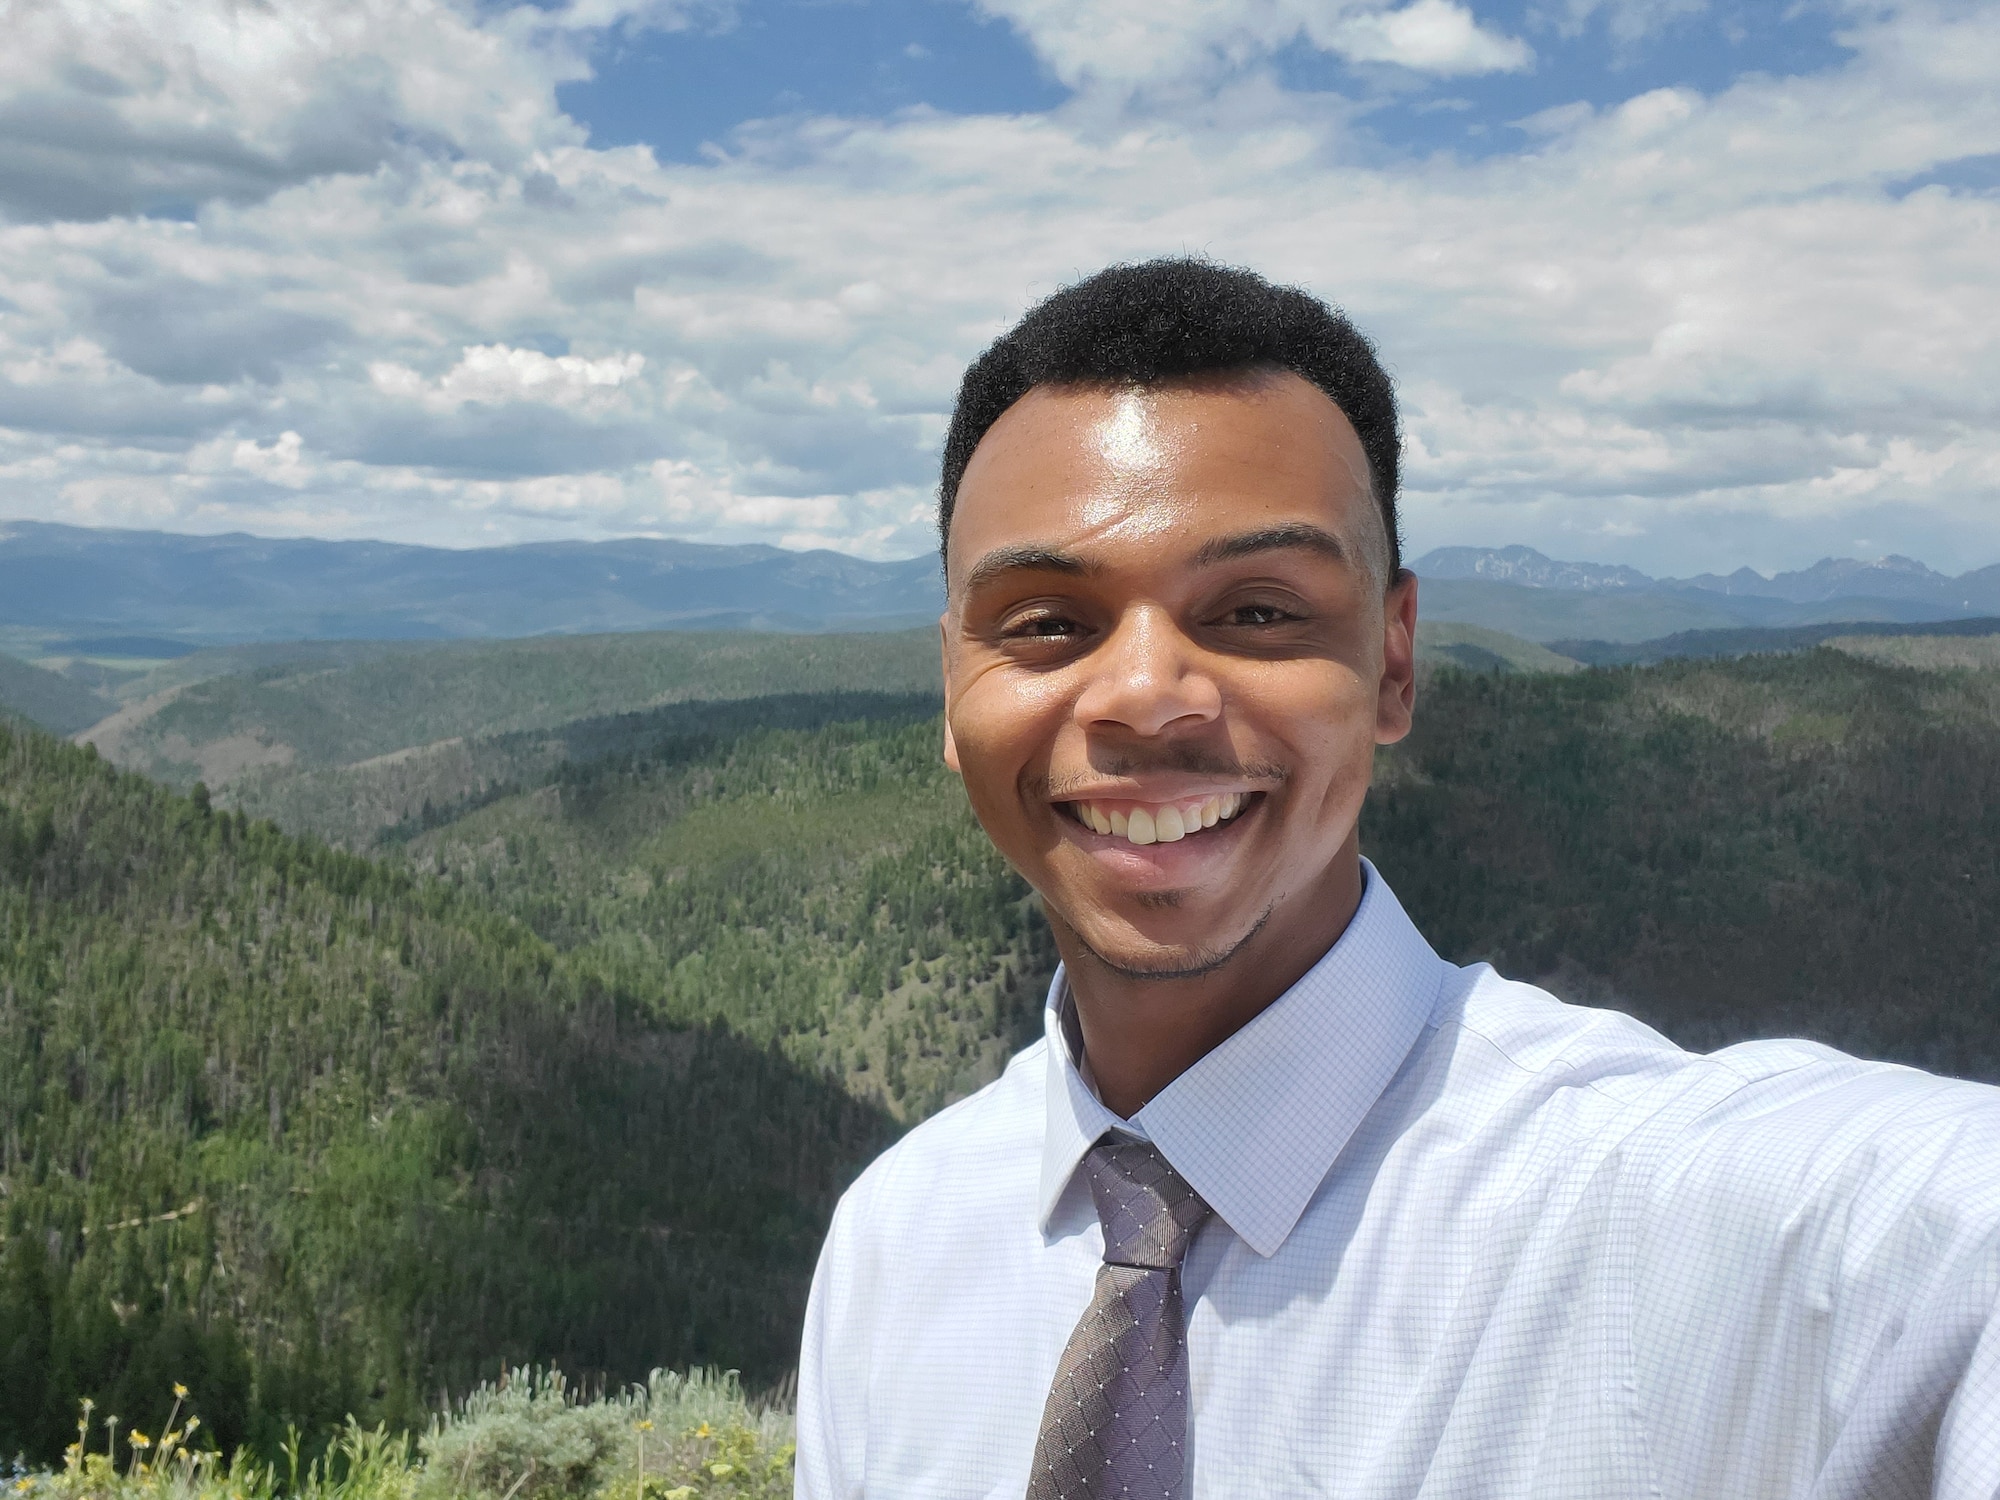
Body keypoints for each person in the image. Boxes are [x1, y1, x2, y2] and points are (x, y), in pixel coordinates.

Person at [793, 258, 2000, 1499]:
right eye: (1046, 621)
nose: (1145, 696)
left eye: (1258, 610)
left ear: (1391, 662)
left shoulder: (1674, 1215)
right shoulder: (893, 1245)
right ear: (952, 685)